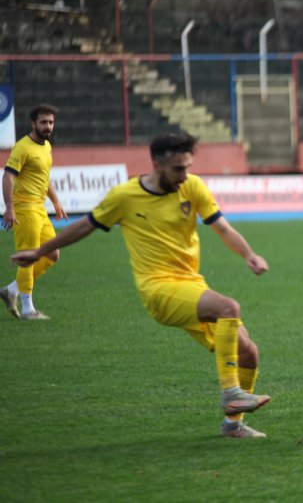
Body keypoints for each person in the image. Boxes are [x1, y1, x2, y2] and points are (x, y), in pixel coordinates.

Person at [11, 132, 272, 438]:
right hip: (157, 290)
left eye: (187, 167)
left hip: (191, 285)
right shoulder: (125, 196)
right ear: (157, 164)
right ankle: (231, 394)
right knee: (229, 307)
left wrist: (249, 254)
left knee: (249, 353)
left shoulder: (193, 186)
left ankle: (233, 426)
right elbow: (85, 225)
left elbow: (223, 227)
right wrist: (40, 251)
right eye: (178, 169)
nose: (184, 175)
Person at [1, 104, 68, 319]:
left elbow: (44, 178)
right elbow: (7, 177)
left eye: (50, 122)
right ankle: (28, 309)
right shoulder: (23, 147)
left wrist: (56, 202)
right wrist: (9, 208)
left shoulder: (46, 146)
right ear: (33, 123)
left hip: (40, 208)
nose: (48, 126)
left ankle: (11, 290)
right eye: (43, 122)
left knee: (52, 254)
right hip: (24, 209)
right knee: (29, 257)